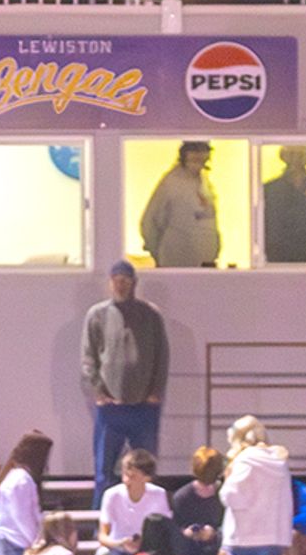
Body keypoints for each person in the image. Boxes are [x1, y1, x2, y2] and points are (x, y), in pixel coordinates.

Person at [80, 261, 171, 491]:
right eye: (116, 280)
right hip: (111, 408)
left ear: (134, 283)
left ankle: (147, 523)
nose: (121, 286)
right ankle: (100, 522)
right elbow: (88, 357)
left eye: (126, 281)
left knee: (146, 471)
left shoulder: (150, 315)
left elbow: (162, 357)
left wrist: (155, 392)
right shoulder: (97, 315)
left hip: (144, 407)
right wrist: (99, 392)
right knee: (104, 472)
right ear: (110, 283)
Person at [209, 414, 293, 555]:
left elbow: (232, 496)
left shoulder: (244, 460)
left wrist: (227, 480)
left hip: (243, 539)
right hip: (272, 538)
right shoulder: (278, 460)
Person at [138, 139, 222, 268]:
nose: (199, 165)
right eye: (195, 159)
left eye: (203, 161)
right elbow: (149, 222)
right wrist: (159, 256)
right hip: (176, 261)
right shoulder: (171, 183)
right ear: (185, 156)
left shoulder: (204, 181)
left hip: (205, 263)